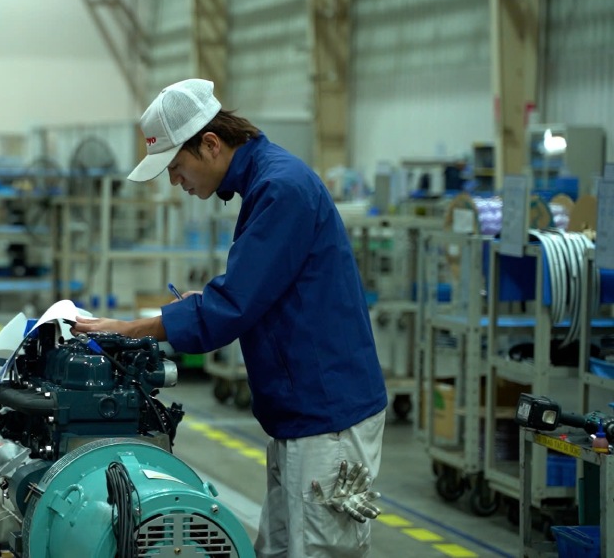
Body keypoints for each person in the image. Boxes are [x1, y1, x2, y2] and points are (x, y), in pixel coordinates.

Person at [72, 79, 387, 557]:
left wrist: (128, 329)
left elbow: (233, 307)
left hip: (328, 417)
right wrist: (212, 300)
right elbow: (259, 292)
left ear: (211, 144)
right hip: (301, 415)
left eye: (176, 167)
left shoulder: (281, 189)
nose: (176, 181)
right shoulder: (266, 183)